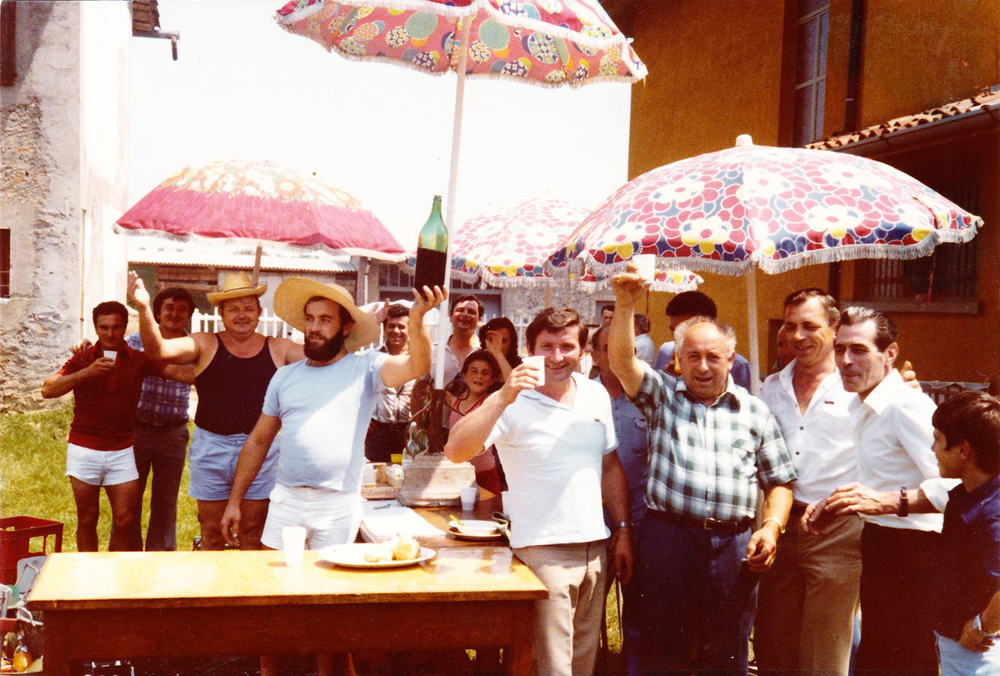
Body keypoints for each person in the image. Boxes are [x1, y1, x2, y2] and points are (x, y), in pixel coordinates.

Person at [608, 266, 796, 675]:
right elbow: (623, 362)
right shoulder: (661, 395)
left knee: (727, 648)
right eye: (693, 356)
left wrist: (771, 528)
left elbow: (780, 481)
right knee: (663, 647)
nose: (704, 366)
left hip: (733, 546)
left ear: (731, 358)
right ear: (678, 358)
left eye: (714, 356)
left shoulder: (755, 409)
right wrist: (626, 305)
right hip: (668, 540)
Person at [445, 307, 634, 676]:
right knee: (551, 668)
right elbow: (456, 450)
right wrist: (503, 395)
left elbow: (610, 466)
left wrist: (624, 529)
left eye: (567, 346)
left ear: (583, 351)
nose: (557, 357)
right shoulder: (511, 401)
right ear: (529, 349)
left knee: (583, 664)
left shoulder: (595, 394)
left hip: (595, 548)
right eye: (546, 347)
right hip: (542, 553)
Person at [801, 307, 951, 675]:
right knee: (878, 657)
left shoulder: (904, 405)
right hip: (882, 544)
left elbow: (961, 487)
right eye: (840, 349)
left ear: (891, 354)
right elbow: (883, 474)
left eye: (859, 350)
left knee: (904, 660)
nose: (845, 361)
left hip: (916, 553)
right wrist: (836, 502)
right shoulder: (864, 403)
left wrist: (890, 501)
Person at [128, 270, 305, 551]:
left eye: (249, 308)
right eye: (233, 309)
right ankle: (214, 595)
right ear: (221, 313)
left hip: (260, 450)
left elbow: (323, 358)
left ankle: (248, 595)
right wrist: (143, 307)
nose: (242, 315)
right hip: (212, 449)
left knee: (252, 532)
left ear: (260, 312)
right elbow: (157, 350)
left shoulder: (280, 348)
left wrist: (351, 321)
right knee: (211, 533)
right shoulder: (205, 343)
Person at [754, 289, 862, 676]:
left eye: (810, 326)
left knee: (825, 644)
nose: (798, 335)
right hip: (781, 522)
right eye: (790, 325)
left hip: (837, 527)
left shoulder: (859, 387)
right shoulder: (768, 388)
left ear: (835, 329)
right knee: (772, 637)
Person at [41, 300, 192, 552]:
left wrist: (219, 366)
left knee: (125, 519)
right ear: (96, 329)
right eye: (104, 328)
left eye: (116, 327)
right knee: (87, 519)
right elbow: (47, 389)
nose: (110, 334)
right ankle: (88, 580)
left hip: (122, 450)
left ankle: (116, 581)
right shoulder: (83, 357)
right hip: (84, 447)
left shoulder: (138, 358)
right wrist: (86, 373)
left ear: (124, 329)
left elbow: (179, 374)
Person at [591, 324, 648, 675]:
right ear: (594, 354)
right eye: (607, 348)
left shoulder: (650, 397)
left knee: (641, 610)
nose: (616, 356)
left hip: (641, 522)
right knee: (588, 612)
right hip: (591, 522)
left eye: (623, 348)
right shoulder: (577, 395)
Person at [124, 287, 196, 552]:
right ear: (157, 311)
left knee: (165, 502)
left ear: (188, 315)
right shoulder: (136, 341)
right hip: (137, 431)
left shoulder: (192, 348)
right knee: (128, 499)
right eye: (169, 308)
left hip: (172, 434)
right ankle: (125, 556)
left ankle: (161, 559)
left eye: (181, 309)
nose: (174, 314)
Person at [654, 291, 753, 390]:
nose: (677, 338)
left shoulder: (738, 366)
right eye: (673, 330)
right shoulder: (666, 352)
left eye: (684, 332)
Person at [446, 350, 504, 495]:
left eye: (485, 373)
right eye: (474, 371)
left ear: (492, 379)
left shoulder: (490, 402)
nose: (479, 376)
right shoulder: (457, 400)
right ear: (464, 375)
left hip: (484, 476)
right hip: (458, 475)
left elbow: (512, 386)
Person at [364, 303, 414, 463]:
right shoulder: (372, 358)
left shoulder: (418, 360)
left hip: (409, 431)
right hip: (378, 432)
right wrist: (364, 418)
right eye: (391, 326)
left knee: (409, 479)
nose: (396, 331)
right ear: (385, 329)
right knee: (378, 478)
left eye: (401, 326)